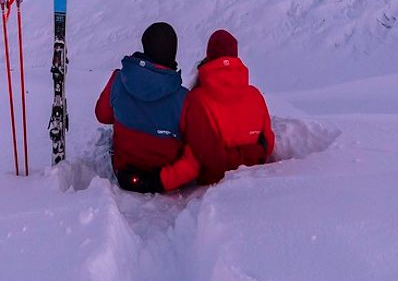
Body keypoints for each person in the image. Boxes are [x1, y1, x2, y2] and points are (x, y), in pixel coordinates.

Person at [160, 30, 274, 191]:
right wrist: (253, 152)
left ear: (209, 55)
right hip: (255, 184)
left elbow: (203, 154)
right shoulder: (255, 95)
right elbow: (267, 145)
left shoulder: (196, 99)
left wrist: (161, 180)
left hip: (210, 188)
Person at [95, 22, 186, 192]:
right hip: (166, 178)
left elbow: (102, 115)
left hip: (124, 174)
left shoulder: (119, 80)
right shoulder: (183, 98)